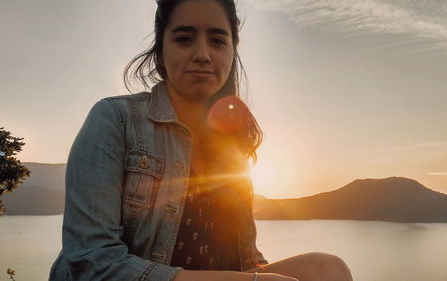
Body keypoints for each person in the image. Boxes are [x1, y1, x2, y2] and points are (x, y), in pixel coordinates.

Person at [49, 0, 353, 280]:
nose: (203, 54)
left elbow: (245, 260)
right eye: (184, 38)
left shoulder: (232, 142)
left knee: (327, 270)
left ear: (232, 51)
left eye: (217, 40)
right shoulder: (115, 119)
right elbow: (91, 262)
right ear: (161, 48)